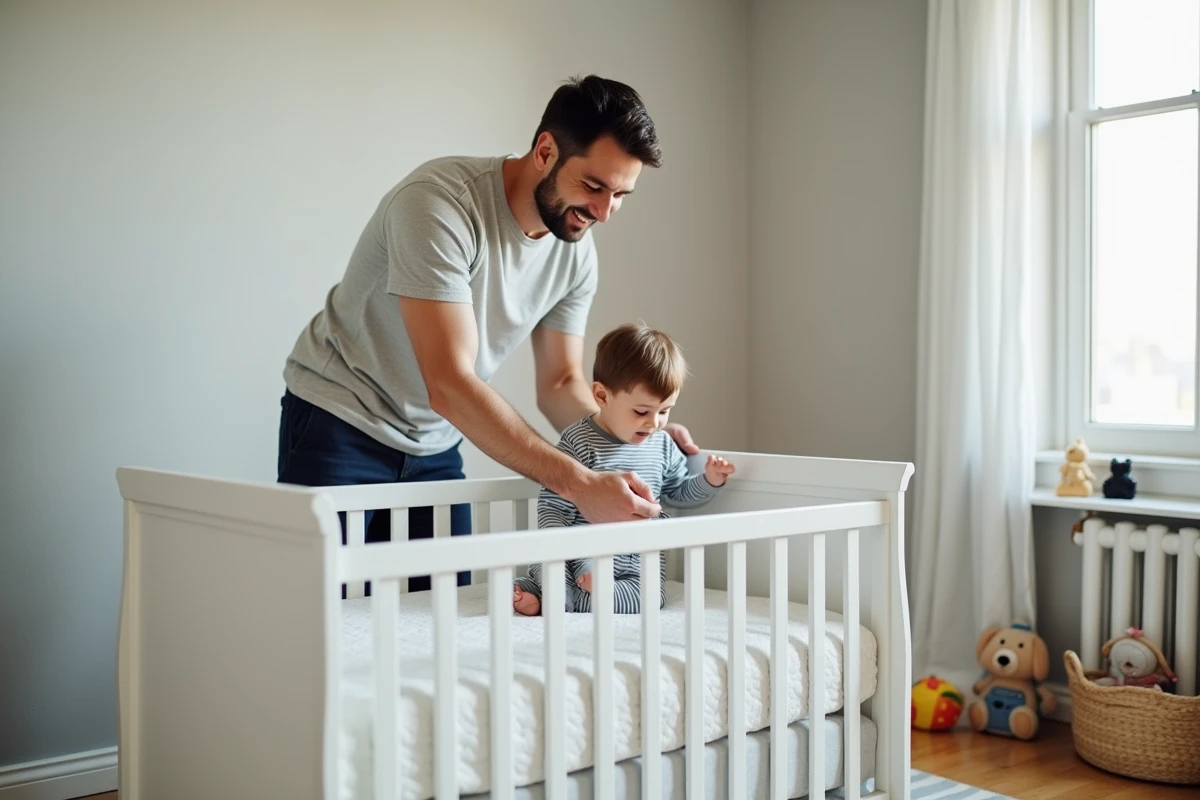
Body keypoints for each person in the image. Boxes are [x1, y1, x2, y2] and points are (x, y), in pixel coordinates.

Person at [276, 75, 701, 592]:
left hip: (435, 439)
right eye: (593, 186)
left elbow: (561, 382)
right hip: (339, 419)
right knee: (319, 611)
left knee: (444, 608)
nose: (604, 212)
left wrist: (629, 432)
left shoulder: (576, 254)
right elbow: (450, 381)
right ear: (545, 150)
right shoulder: (437, 205)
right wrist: (578, 482)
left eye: (620, 195)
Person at [512, 323, 735, 615]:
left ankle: (562, 601)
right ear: (602, 397)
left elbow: (679, 492)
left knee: (651, 598)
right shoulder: (579, 440)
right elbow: (552, 505)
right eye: (642, 412)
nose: (654, 423)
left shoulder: (663, 445)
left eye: (665, 411)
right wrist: (557, 550)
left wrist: (709, 480)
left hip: (638, 556)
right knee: (549, 567)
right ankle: (549, 589)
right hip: (583, 551)